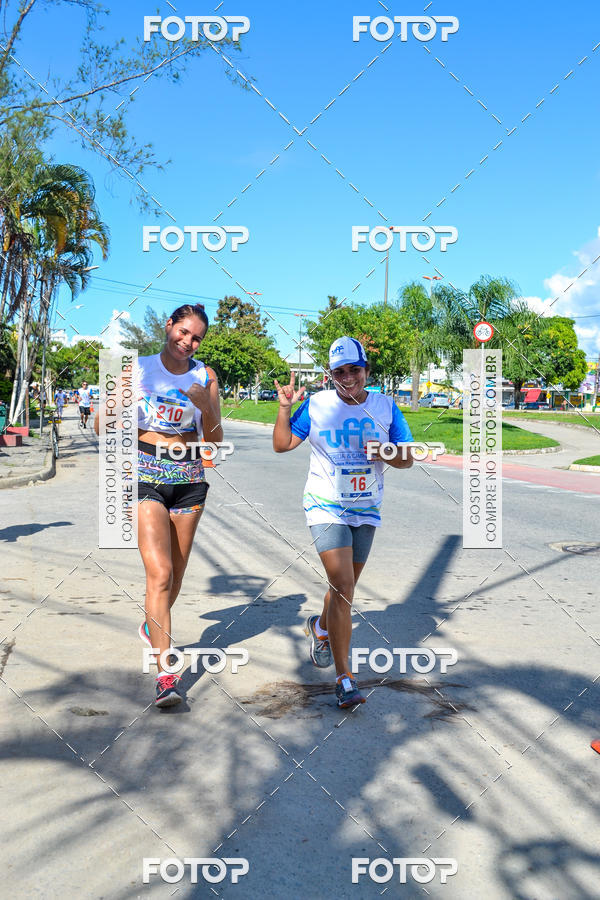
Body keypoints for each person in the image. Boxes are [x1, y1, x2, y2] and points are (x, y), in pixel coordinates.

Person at [273, 337, 414, 709]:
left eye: (354, 369)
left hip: (366, 507)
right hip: (324, 504)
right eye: (339, 372)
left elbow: (407, 458)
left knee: (343, 590)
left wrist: (384, 451)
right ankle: (344, 678)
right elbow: (283, 444)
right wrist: (285, 408)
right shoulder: (317, 405)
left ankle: (320, 627)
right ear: (330, 375)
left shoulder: (385, 407)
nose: (348, 377)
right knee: (344, 586)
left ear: (366, 371)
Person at [95, 303, 222, 708]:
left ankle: (153, 627)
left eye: (196, 337)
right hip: (145, 475)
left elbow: (214, 441)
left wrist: (205, 405)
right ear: (168, 326)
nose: (188, 341)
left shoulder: (206, 376)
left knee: (176, 577)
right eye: (183, 331)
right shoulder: (136, 368)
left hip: (189, 481)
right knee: (161, 573)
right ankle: (167, 676)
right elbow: (101, 425)